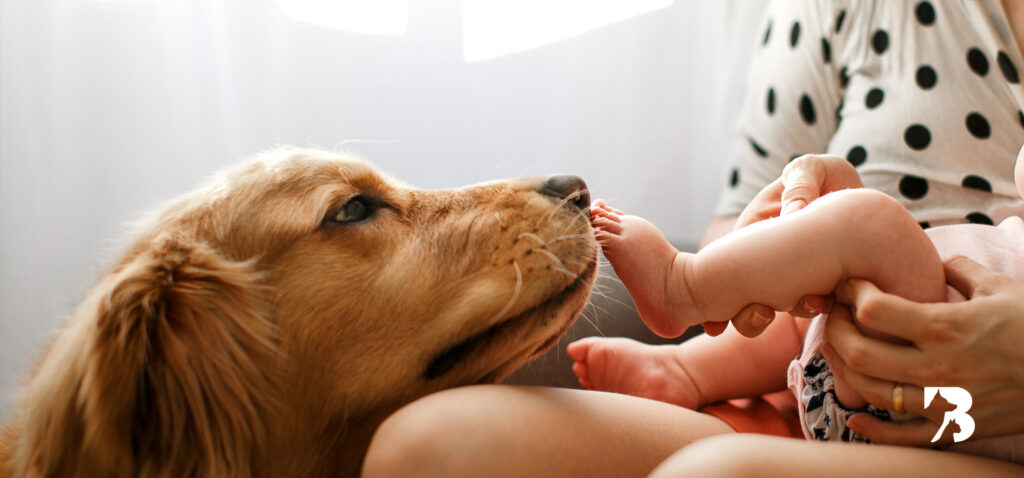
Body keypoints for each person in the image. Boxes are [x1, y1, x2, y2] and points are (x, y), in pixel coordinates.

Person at [569, 152, 1024, 461]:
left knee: (870, 228)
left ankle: (682, 286)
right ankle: (684, 369)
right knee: (806, 304)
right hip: (890, 367)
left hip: (931, 403)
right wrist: (793, 235)